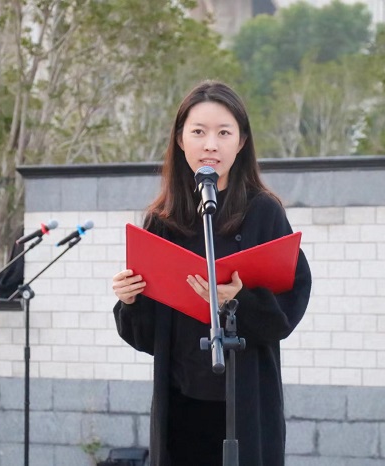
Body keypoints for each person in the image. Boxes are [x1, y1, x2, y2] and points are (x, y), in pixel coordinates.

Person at [111, 80, 312, 466]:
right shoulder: (162, 220)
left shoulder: (264, 212)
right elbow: (147, 338)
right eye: (199, 132)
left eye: (224, 133)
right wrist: (130, 299)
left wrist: (238, 301)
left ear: (241, 141)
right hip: (181, 405)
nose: (210, 145)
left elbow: (287, 311)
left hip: (245, 405)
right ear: (180, 140)